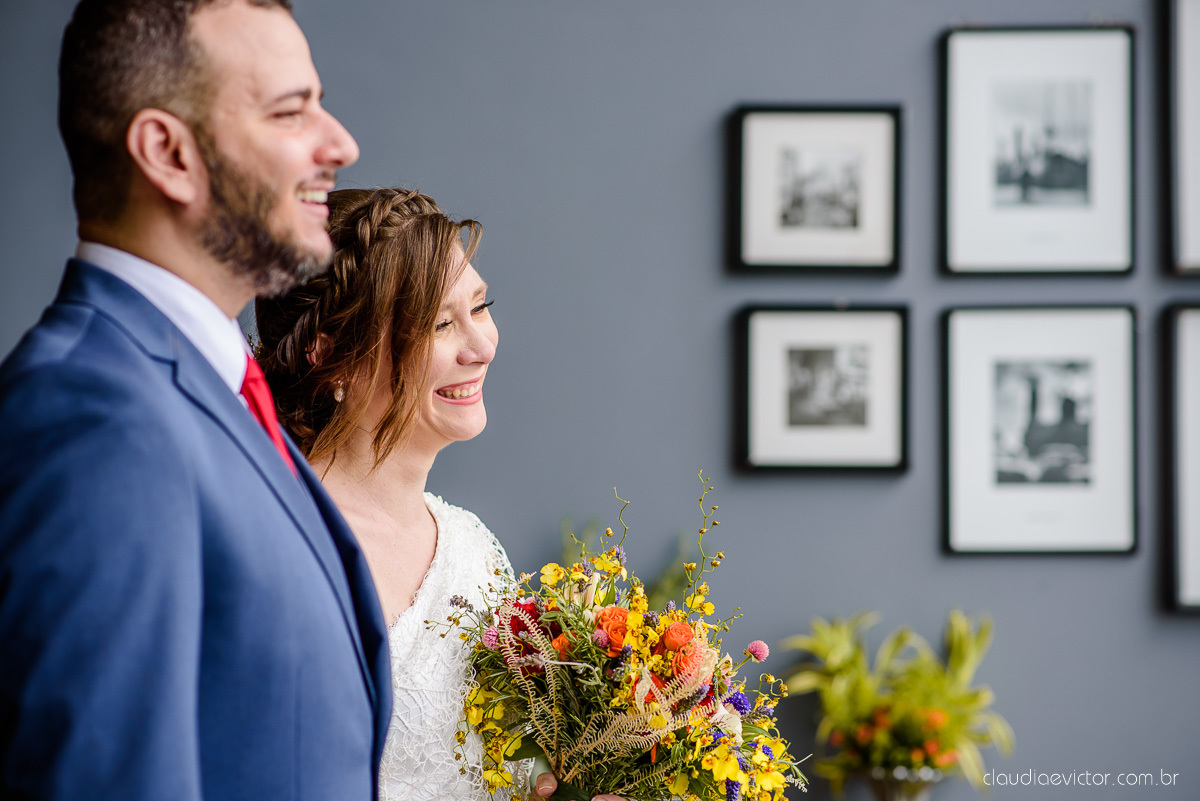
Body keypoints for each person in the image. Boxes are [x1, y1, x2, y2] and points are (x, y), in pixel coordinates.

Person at [0, 2, 390, 800]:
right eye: (291, 110)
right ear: (167, 152)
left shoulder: (207, 391)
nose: (339, 144)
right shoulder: (94, 420)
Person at [256, 187, 622, 801]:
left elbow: (506, 776)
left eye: (480, 307)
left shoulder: (474, 551)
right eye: (439, 324)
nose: (481, 346)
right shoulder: (277, 544)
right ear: (333, 359)